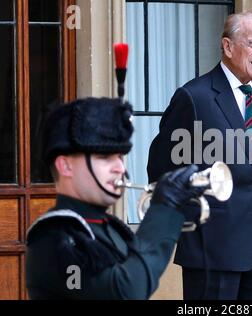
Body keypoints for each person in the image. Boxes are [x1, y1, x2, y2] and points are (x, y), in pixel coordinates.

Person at [147, 12, 252, 300]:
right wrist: (193, 221)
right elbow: (161, 170)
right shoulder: (194, 97)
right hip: (210, 252)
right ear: (228, 47)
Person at [25, 97, 205, 299]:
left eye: (119, 157)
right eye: (104, 158)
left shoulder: (110, 227)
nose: (120, 167)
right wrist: (164, 209)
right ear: (65, 166)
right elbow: (125, 292)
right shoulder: (55, 238)